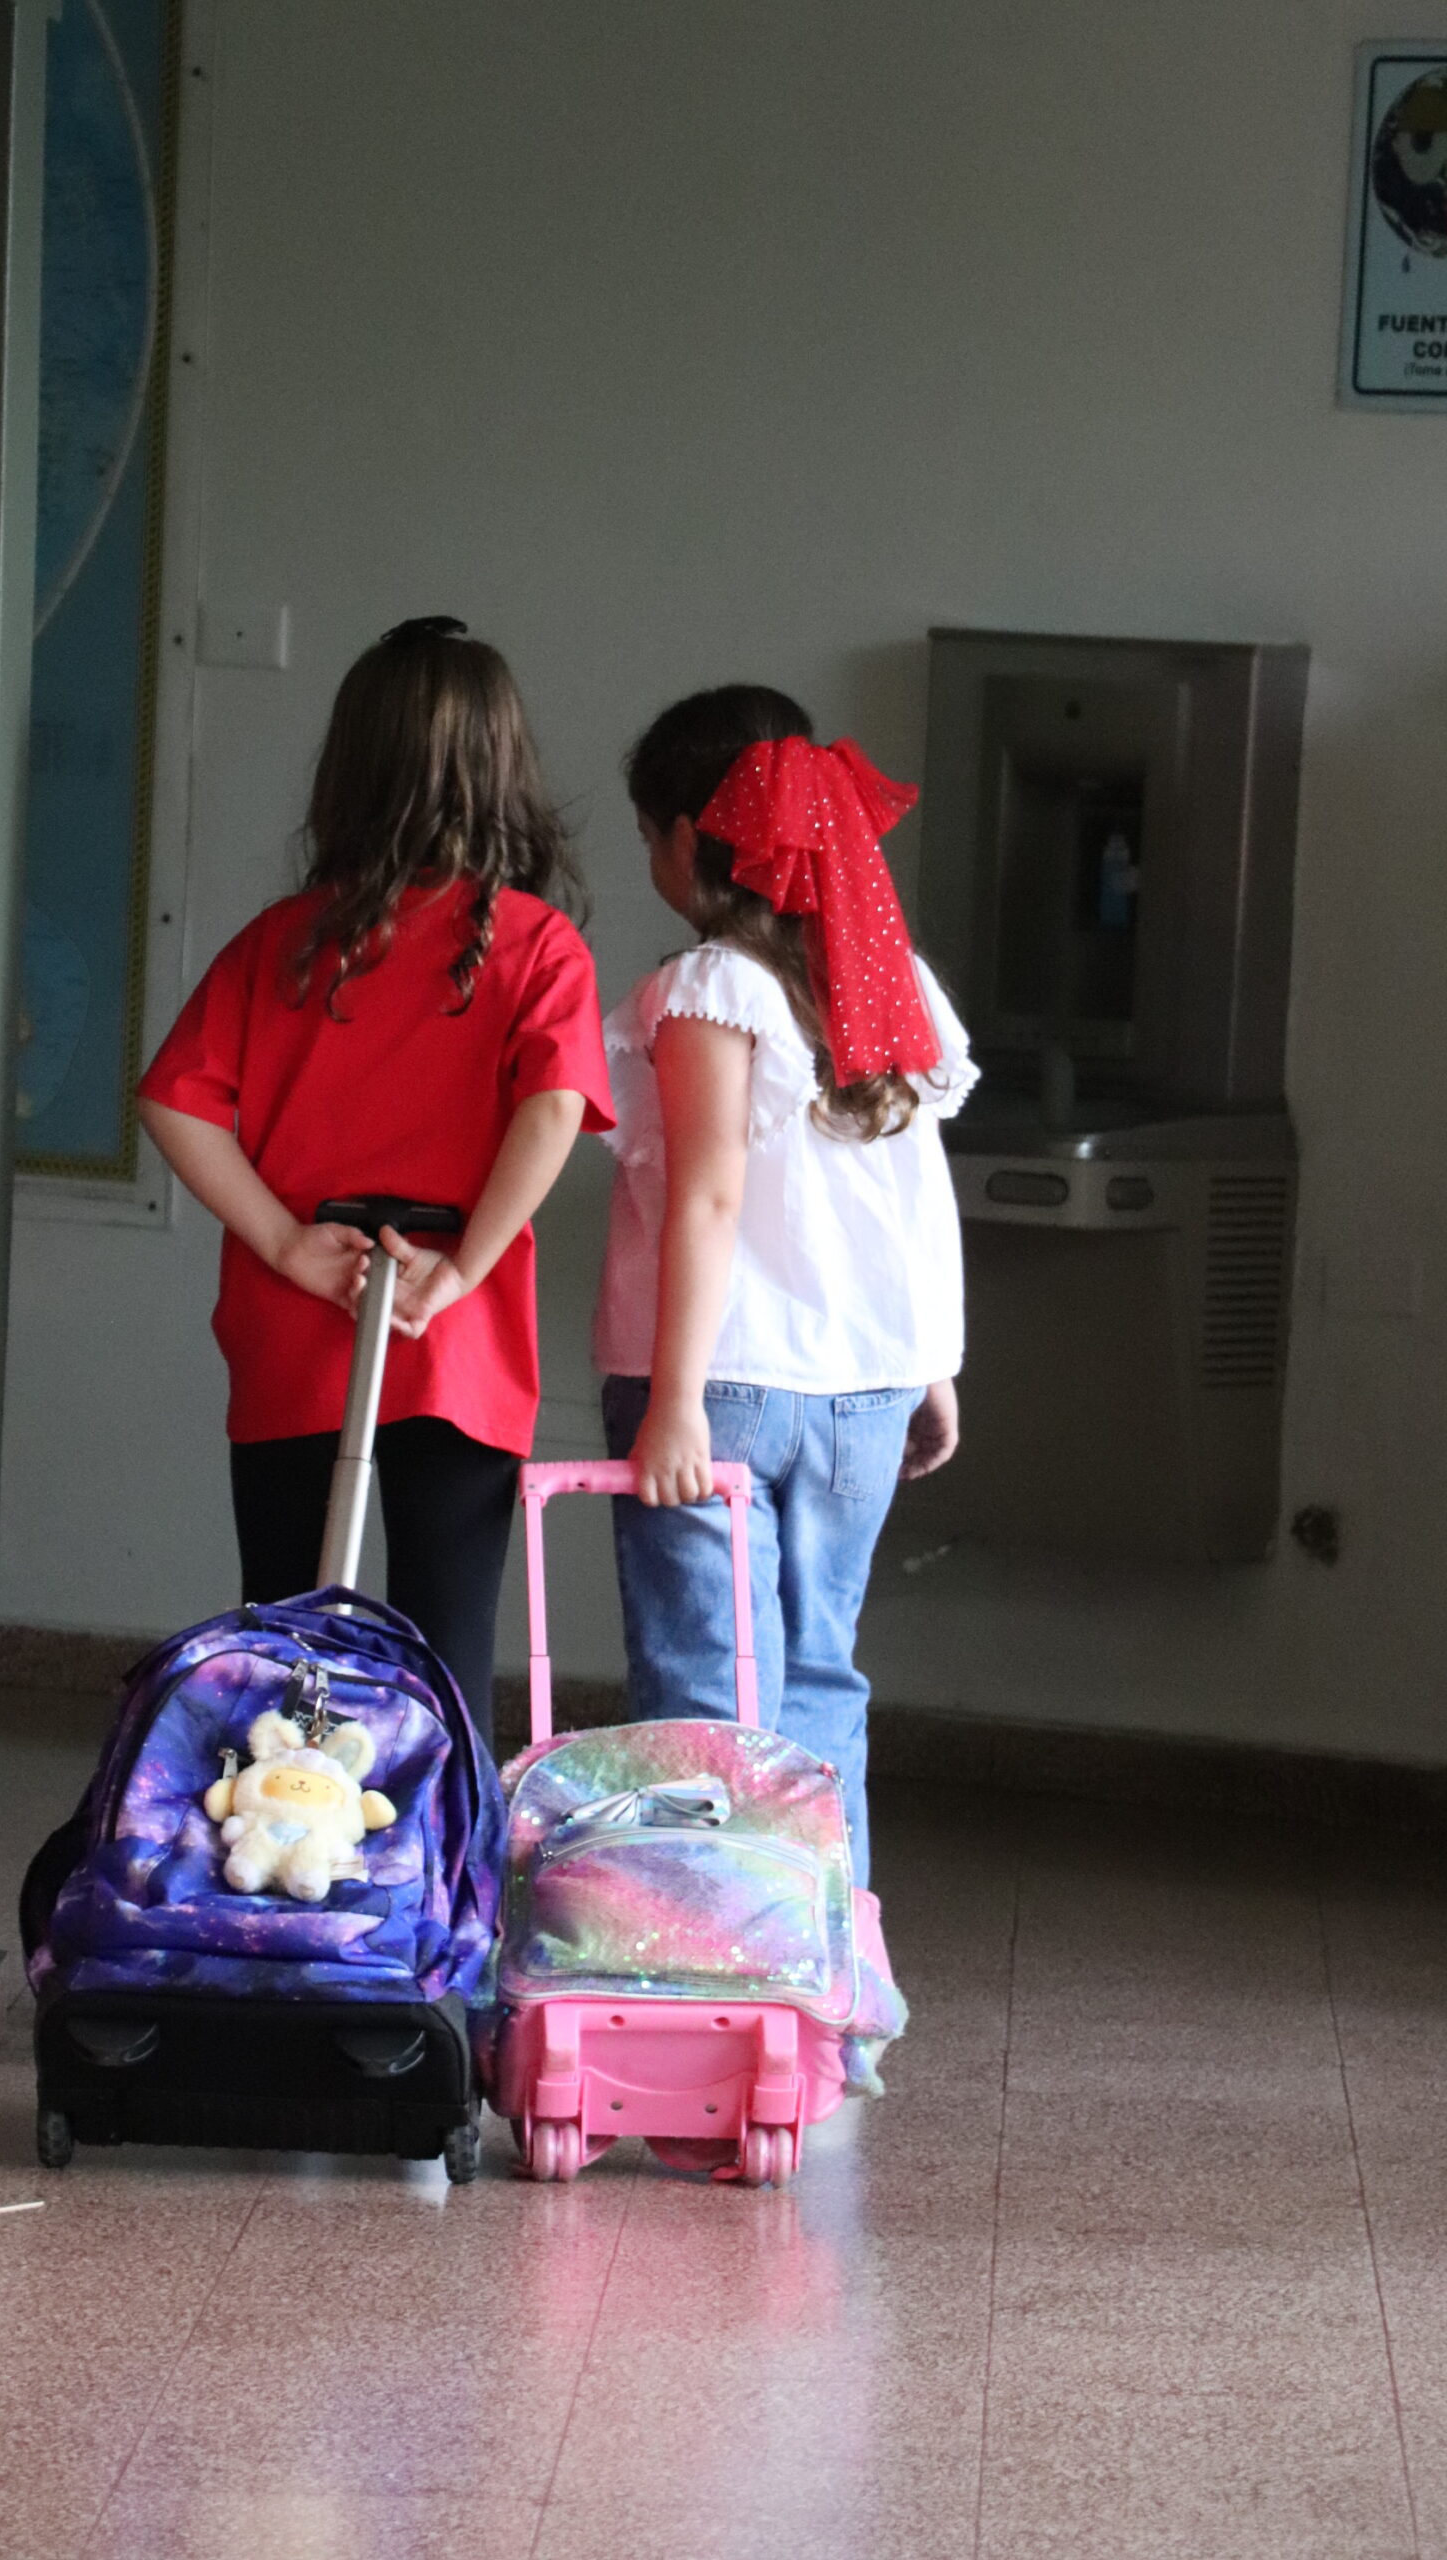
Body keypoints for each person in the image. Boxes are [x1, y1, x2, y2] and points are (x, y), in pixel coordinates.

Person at [138, 618, 615, 1738]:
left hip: (300, 1318)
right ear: (503, 772)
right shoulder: (539, 946)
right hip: (457, 1336)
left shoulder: (284, 941)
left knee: (287, 1642)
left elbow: (173, 1101)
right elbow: (553, 1108)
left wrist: (286, 1243)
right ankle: (436, 1841)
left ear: (348, 769)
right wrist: (460, 1270)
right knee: (448, 1644)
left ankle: (285, 1834)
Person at [594, 684, 976, 1880]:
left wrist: (673, 1400)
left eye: (648, 831)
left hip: (727, 1384)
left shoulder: (714, 987)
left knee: (709, 1693)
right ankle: (826, 1964)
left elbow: (707, 1196)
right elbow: (914, 1187)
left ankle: (721, 1960)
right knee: (818, 1679)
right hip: (865, 1390)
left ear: (687, 836)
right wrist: (930, 1362)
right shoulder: (884, 972)